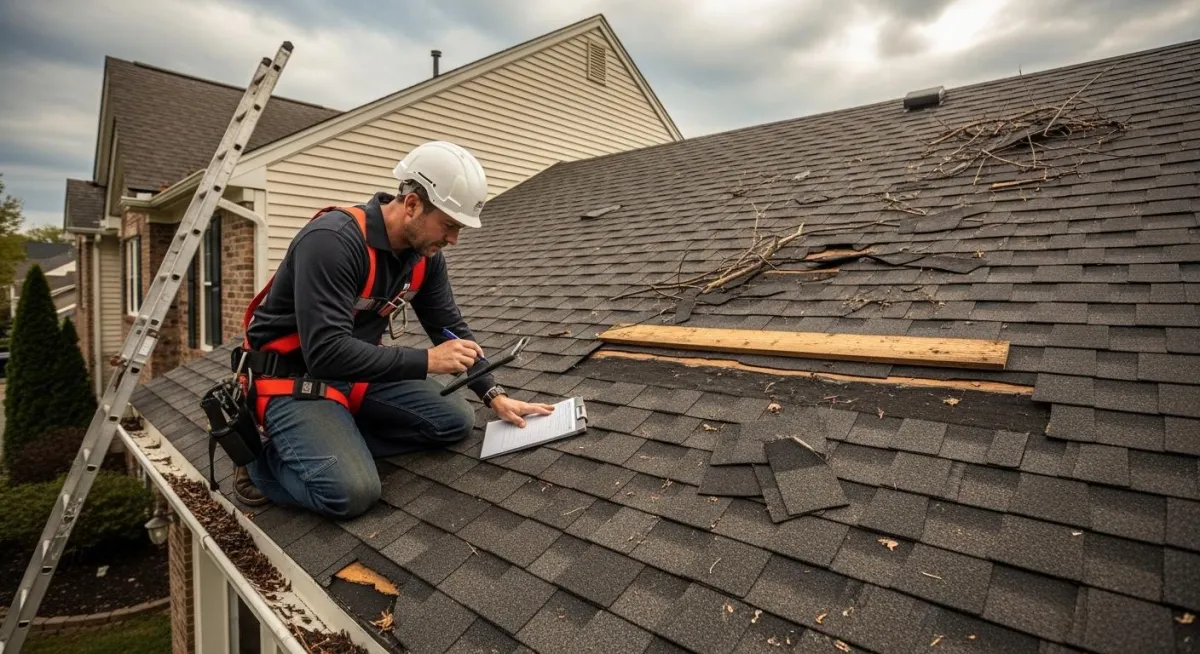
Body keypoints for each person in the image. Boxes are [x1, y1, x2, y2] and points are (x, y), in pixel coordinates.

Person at [230, 141, 554, 517]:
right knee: (351, 493)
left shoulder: (423, 258)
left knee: (454, 421)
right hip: (291, 381)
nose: (453, 240)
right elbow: (325, 353)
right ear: (412, 204)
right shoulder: (332, 241)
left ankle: (335, 444)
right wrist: (427, 361)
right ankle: (261, 463)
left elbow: (449, 327)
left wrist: (493, 393)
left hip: (356, 375)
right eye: (449, 225)